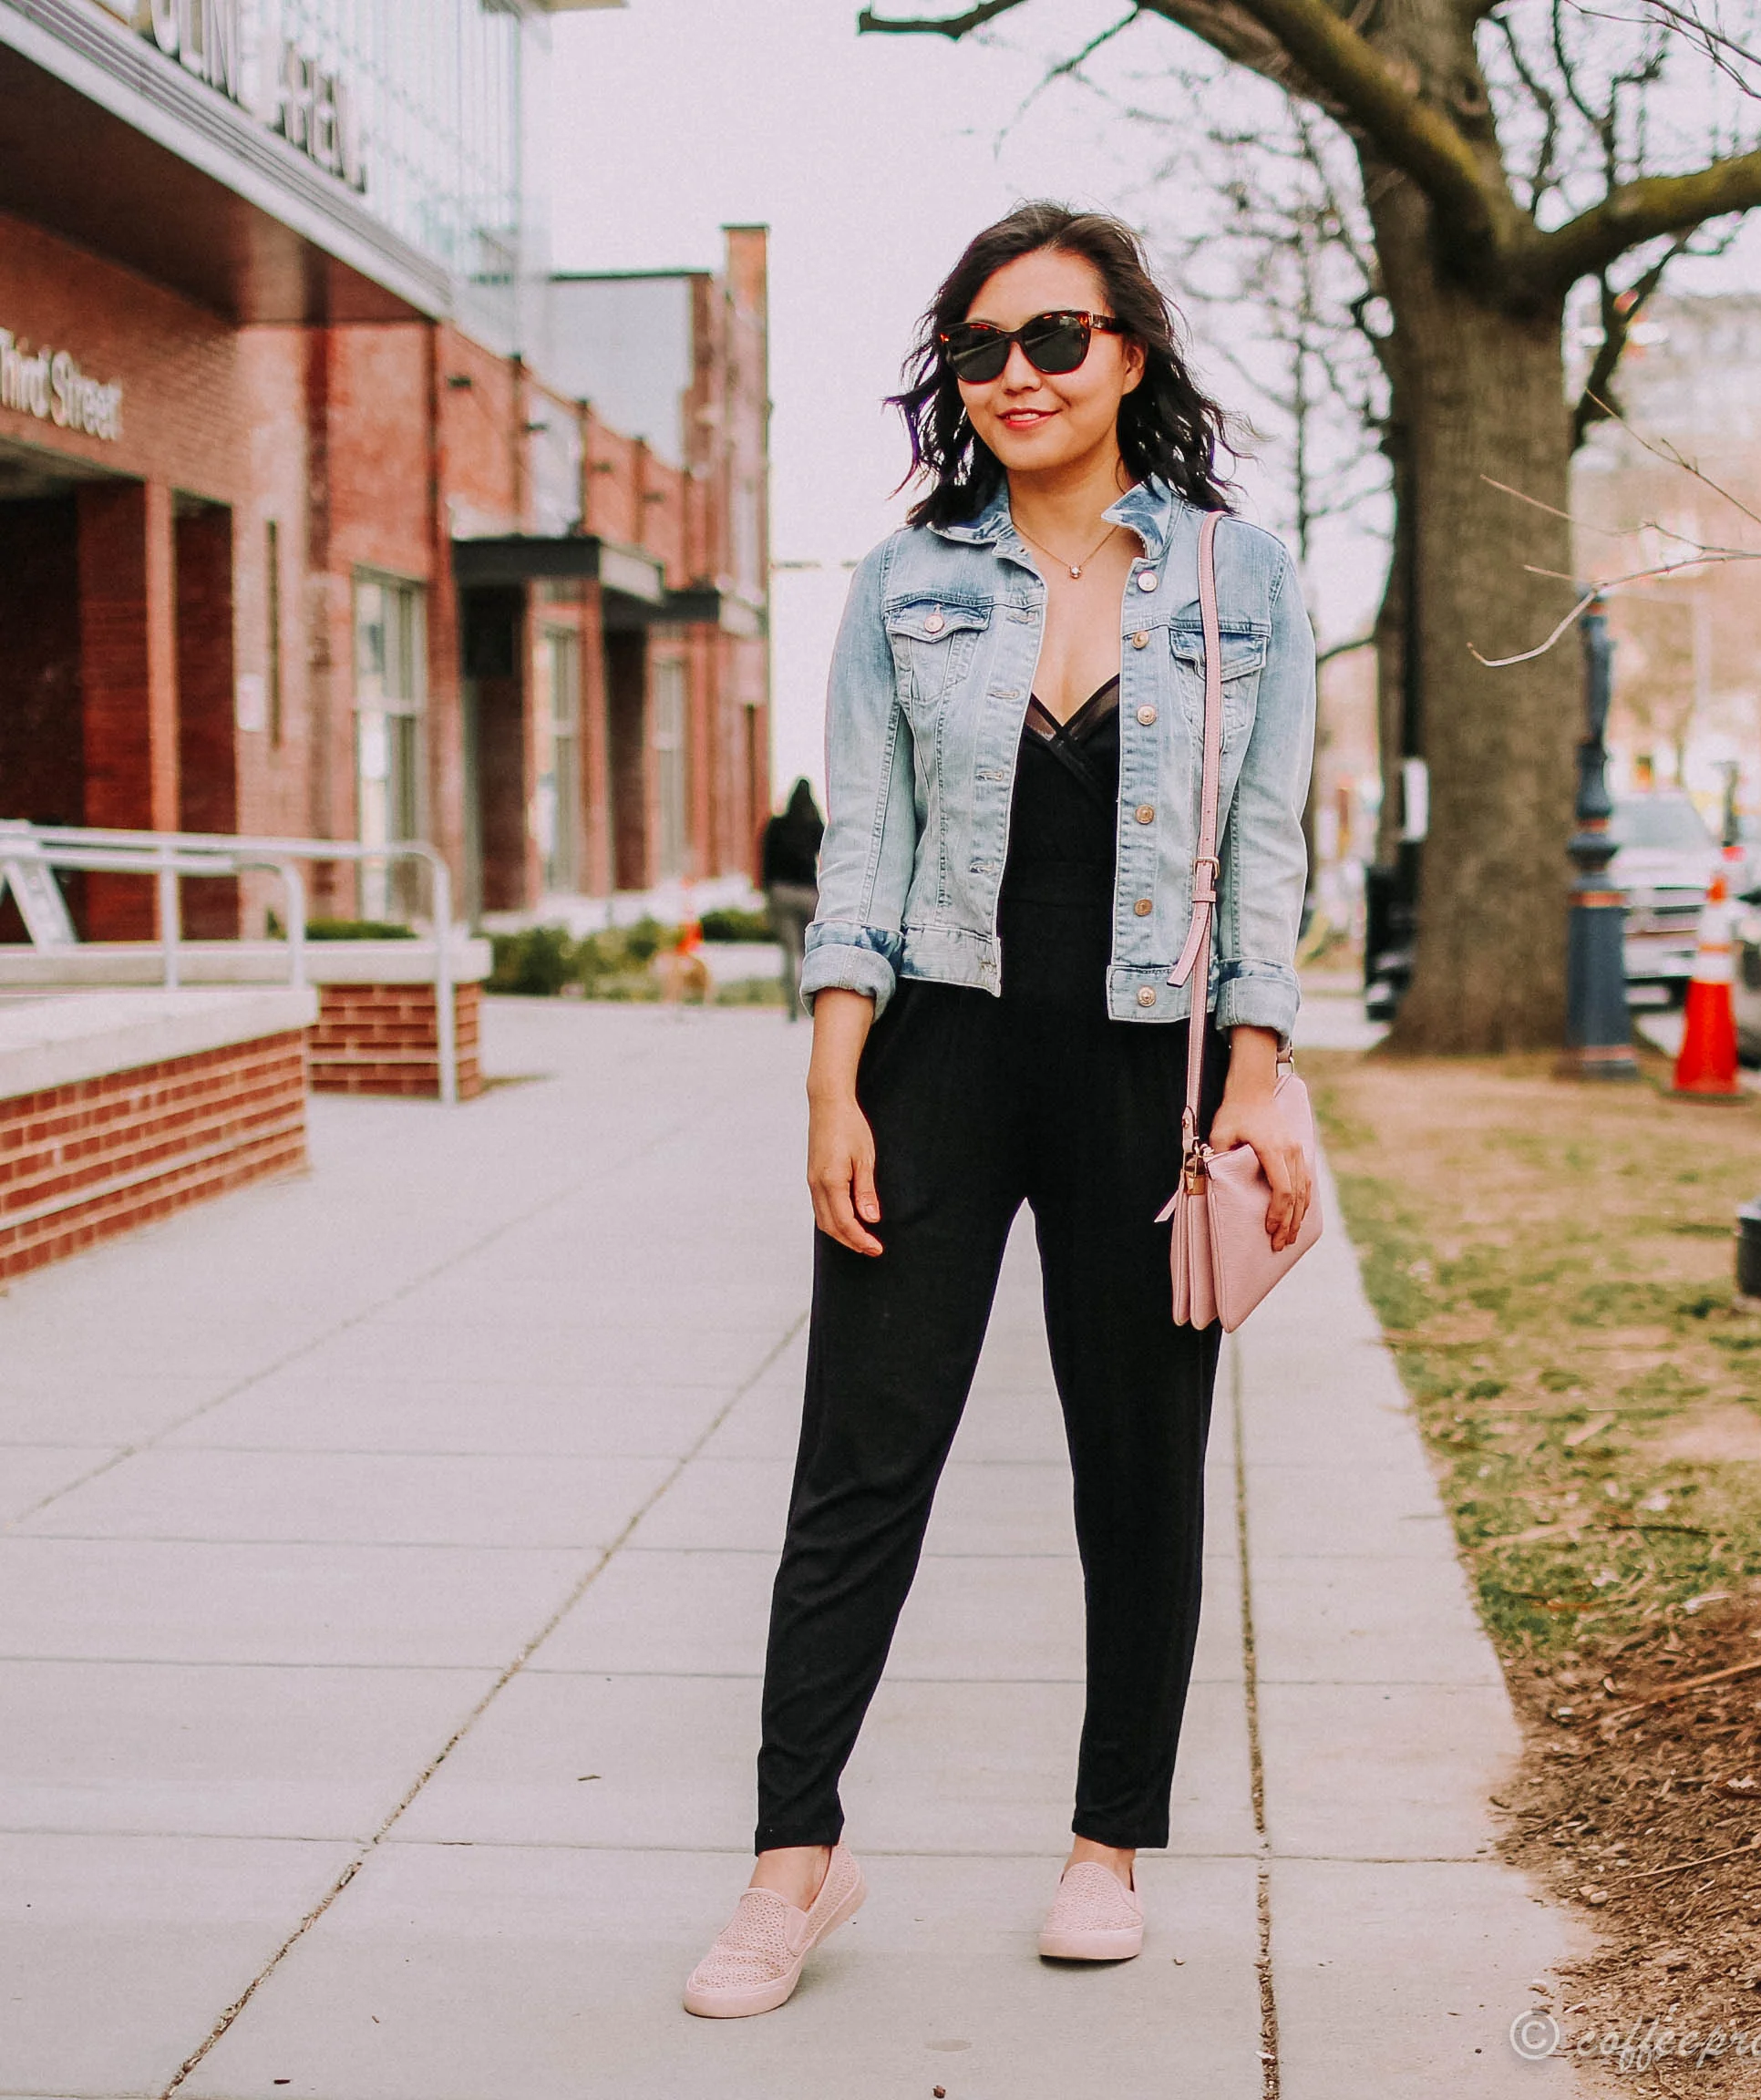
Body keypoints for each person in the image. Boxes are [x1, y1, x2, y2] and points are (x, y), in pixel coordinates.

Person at [683, 201, 1316, 2021]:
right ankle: (792, 1860)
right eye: (981, 349)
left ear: (1131, 354)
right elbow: (859, 850)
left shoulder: (1238, 579)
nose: (1016, 377)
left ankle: (1109, 1843)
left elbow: (1263, 849)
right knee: (860, 1465)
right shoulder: (904, 584)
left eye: (1054, 340)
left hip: (1152, 1064)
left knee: (1141, 1464)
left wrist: (1252, 1083)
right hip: (936, 1056)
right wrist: (831, 1078)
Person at [761, 780, 825, 1019]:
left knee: (789, 952)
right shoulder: (814, 825)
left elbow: (765, 863)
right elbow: (828, 853)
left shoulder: (776, 825)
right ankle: (809, 1003)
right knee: (809, 951)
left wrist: (767, 894)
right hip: (808, 894)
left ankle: (792, 1007)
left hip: (782, 893)